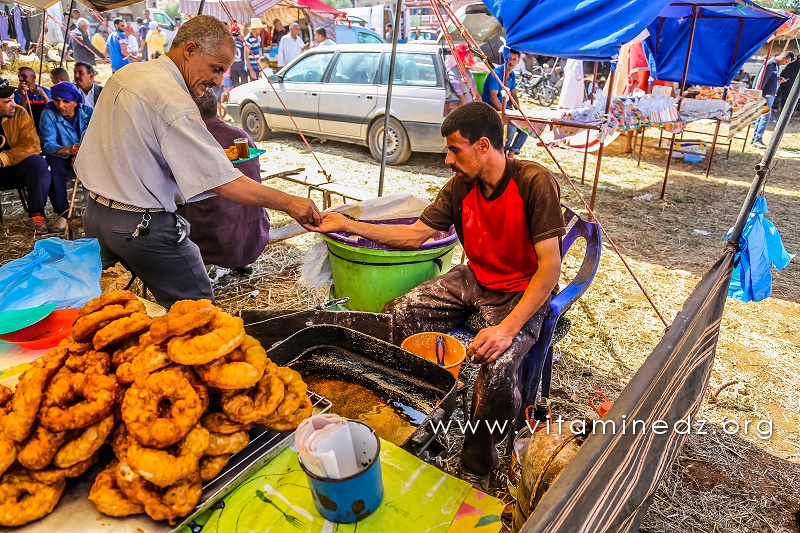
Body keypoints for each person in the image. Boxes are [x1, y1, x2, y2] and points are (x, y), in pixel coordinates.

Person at [307, 102, 565, 484]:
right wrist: (349, 224)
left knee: (497, 368)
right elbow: (414, 235)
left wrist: (507, 328)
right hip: (475, 278)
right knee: (398, 313)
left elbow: (550, 268)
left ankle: (479, 465)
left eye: (454, 149)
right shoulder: (462, 184)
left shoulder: (533, 181)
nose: (447, 159)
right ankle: (415, 414)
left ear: (482, 146)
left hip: (521, 288)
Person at [74, 15, 321, 308]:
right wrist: (291, 203)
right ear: (189, 50)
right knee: (199, 317)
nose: (217, 81)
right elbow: (223, 180)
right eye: (216, 69)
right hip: (139, 225)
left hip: (96, 214)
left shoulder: (126, 75)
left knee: (112, 309)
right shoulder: (174, 102)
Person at [178, 91, 270, 275]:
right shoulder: (241, 135)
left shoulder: (190, 141)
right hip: (254, 232)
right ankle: (244, 265)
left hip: (213, 237)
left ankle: (199, 266)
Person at [0, 78, 54, 234]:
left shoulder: (19, 113)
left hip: (15, 168)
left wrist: (5, 157)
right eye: (7, 101)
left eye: (12, 99)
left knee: (38, 163)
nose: (13, 104)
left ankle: (37, 215)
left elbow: (32, 145)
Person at [38, 82, 93, 231]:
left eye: (66, 101)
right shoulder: (48, 114)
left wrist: (82, 154)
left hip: (86, 154)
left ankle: (96, 211)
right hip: (61, 156)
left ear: (75, 102)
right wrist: (68, 150)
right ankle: (63, 213)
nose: (60, 105)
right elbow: (47, 145)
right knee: (51, 164)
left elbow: (98, 137)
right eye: (56, 100)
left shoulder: (88, 112)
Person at [483, 48, 526, 158]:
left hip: (505, 108)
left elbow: (514, 95)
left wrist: (518, 112)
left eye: (514, 59)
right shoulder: (496, 74)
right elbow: (493, 97)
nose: (510, 62)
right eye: (509, 59)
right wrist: (506, 115)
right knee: (510, 128)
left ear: (518, 60)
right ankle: (502, 154)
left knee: (526, 127)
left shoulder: (512, 75)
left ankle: (512, 152)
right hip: (491, 108)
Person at [752, 51, 794, 149]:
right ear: (783, 57)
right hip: (765, 94)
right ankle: (757, 139)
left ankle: (755, 138)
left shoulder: (775, 65)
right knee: (765, 117)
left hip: (770, 94)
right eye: (786, 62)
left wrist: (778, 79)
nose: (785, 64)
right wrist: (759, 93)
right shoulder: (771, 64)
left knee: (762, 116)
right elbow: (762, 79)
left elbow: (771, 77)